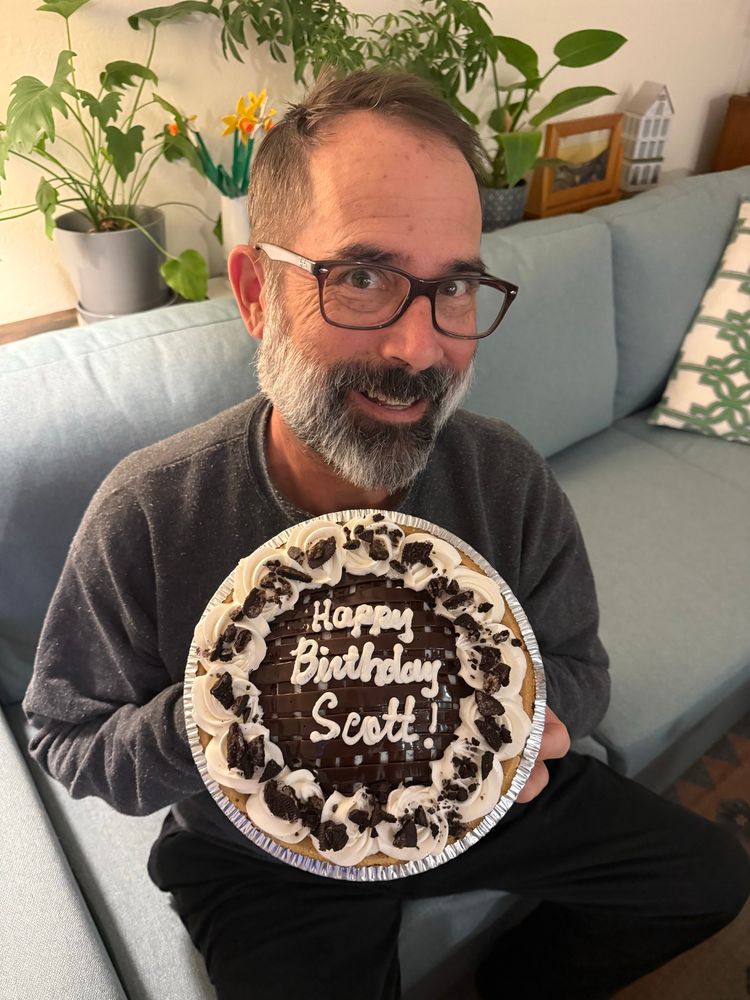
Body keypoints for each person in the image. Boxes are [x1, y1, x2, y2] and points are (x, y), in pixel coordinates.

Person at [23, 68, 749, 1000]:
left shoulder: (503, 477)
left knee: (708, 878)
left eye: (456, 287)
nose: (419, 347)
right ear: (256, 293)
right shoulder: (153, 511)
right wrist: (219, 715)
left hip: (471, 795)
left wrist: (495, 719)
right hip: (264, 852)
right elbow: (68, 737)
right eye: (361, 278)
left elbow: (578, 666)